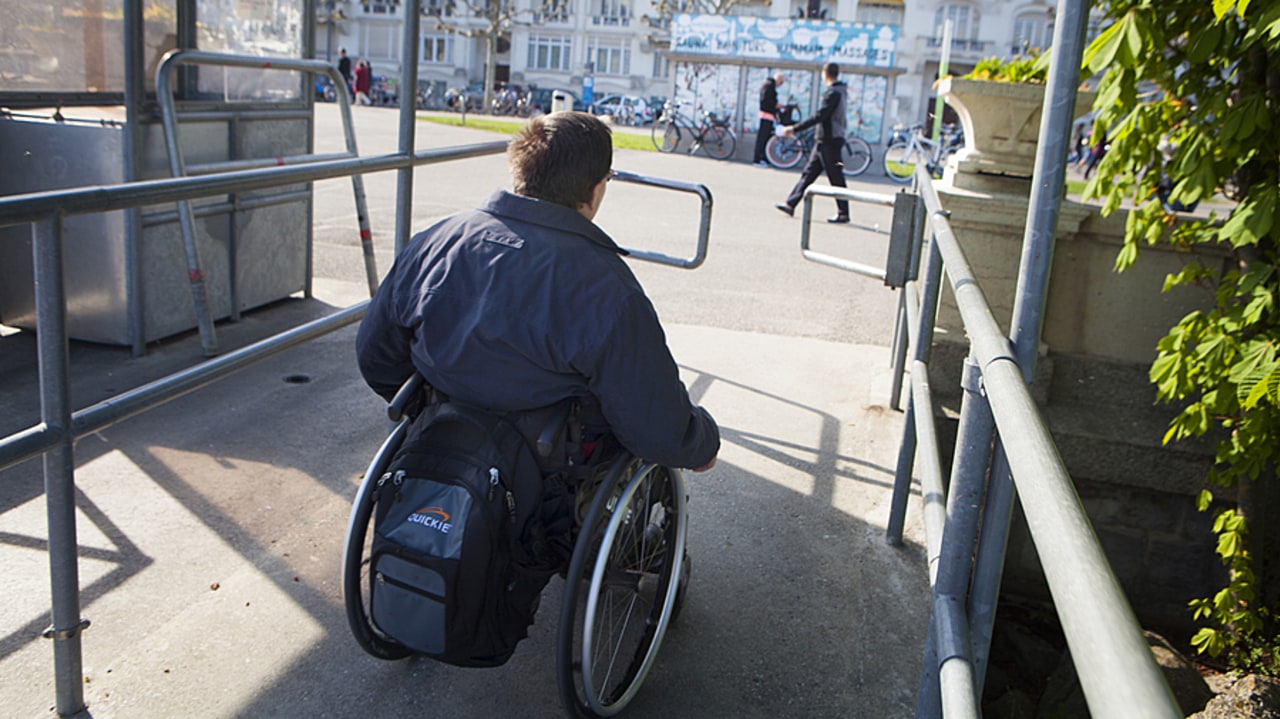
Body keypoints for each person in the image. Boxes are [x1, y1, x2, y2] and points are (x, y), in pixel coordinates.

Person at [355, 111, 719, 477]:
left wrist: (432, 407)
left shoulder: (436, 243)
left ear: (520, 171)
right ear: (595, 190)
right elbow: (657, 427)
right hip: (550, 474)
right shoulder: (608, 289)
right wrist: (700, 440)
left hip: (439, 447)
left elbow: (375, 357)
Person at [775, 62, 850, 224]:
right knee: (808, 174)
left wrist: (794, 128)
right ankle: (790, 203)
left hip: (830, 141)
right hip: (824, 141)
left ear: (825, 74)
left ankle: (843, 213)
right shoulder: (840, 91)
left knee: (836, 178)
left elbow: (820, 116)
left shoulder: (833, 93)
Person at [753, 73, 785, 166]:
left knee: (766, 137)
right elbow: (765, 100)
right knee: (763, 138)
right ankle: (757, 159)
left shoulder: (768, 85)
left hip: (767, 114)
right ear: (778, 80)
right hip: (766, 115)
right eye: (781, 82)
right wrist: (775, 105)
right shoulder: (769, 86)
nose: (780, 85)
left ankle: (762, 158)